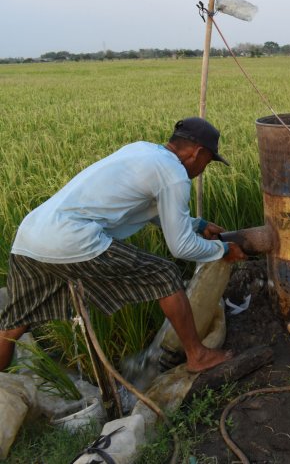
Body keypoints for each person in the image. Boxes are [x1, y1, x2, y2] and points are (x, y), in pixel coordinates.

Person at [0, 117, 246, 373]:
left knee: (14, 321)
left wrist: (197, 224)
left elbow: (147, 208)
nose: (203, 169)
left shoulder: (141, 150)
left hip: (29, 236)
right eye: (208, 161)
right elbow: (181, 247)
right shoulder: (174, 175)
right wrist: (224, 250)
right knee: (165, 274)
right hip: (71, 238)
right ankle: (197, 355)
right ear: (198, 152)